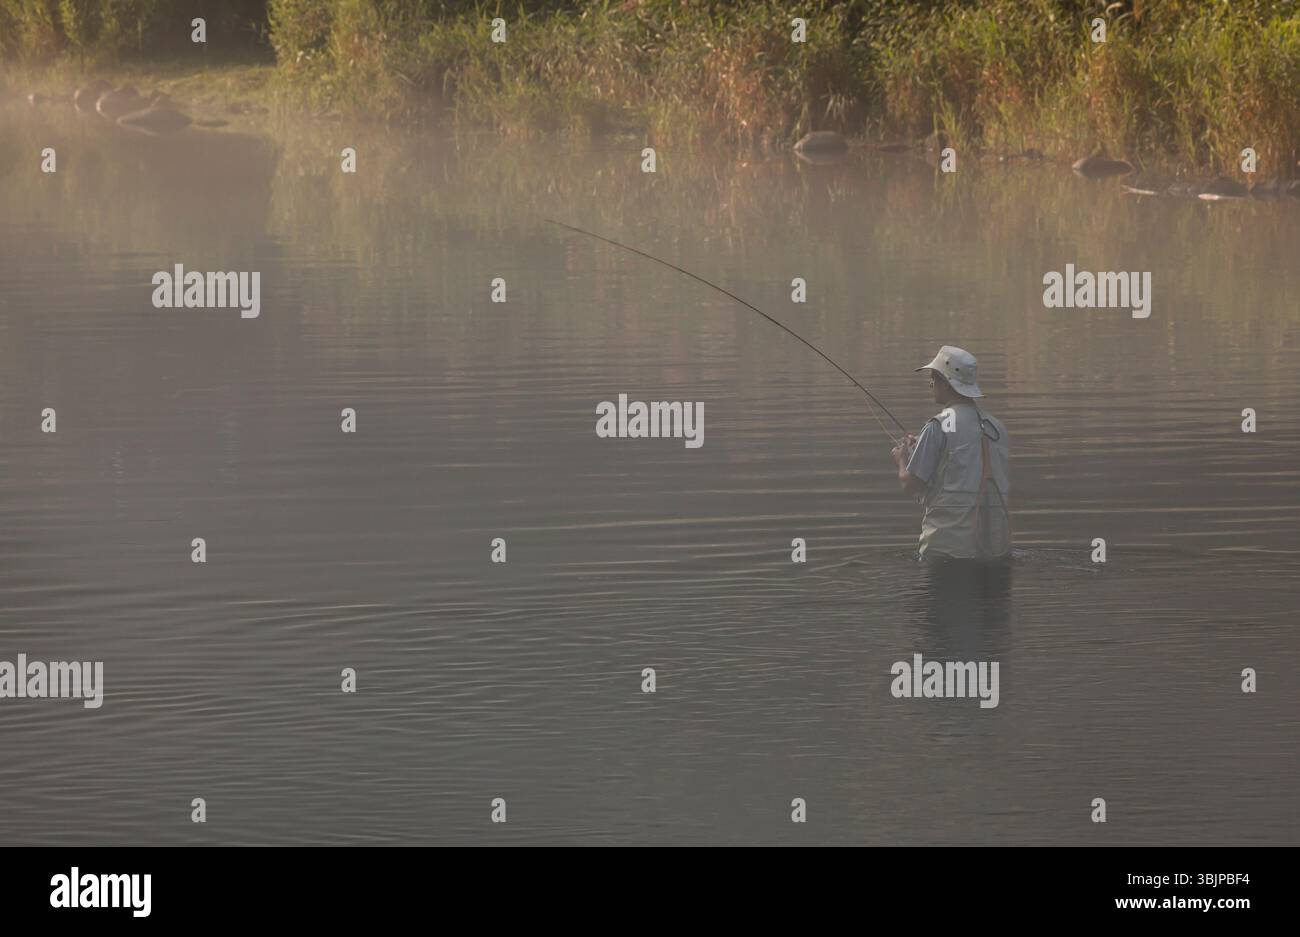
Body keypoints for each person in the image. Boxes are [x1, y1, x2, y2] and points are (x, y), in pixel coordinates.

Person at [890, 346, 1011, 563]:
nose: (930, 384)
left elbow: (911, 485)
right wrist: (928, 449)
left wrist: (902, 461)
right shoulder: (997, 427)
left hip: (948, 550)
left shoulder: (938, 426)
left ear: (946, 383)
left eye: (933, 378)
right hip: (995, 547)